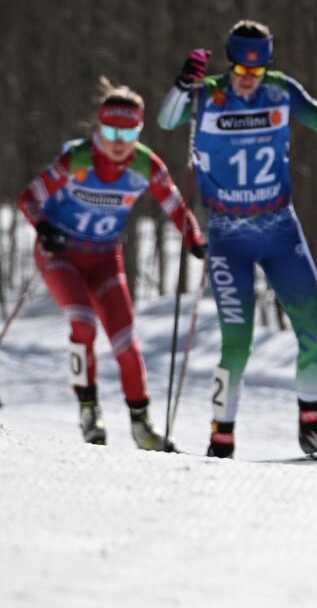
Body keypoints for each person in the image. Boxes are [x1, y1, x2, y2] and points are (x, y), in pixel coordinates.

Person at [157, 20, 317, 459]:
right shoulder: (208, 93)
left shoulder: (281, 91)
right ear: (229, 65)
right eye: (242, 72)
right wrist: (183, 83)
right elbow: (168, 120)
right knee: (237, 341)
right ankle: (220, 436)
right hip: (228, 233)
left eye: (257, 71)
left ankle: (311, 430)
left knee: (313, 330)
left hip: (280, 227)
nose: (248, 80)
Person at [18, 79, 205, 451]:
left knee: (125, 341)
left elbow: (176, 207)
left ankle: (142, 427)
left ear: (139, 129)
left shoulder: (145, 165)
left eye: (129, 130)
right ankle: (89, 410)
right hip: (61, 255)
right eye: (110, 129)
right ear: (98, 127)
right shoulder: (78, 159)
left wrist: (194, 238)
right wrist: (44, 228)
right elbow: (29, 199)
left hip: (104, 257)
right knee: (83, 322)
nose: (119, 140)